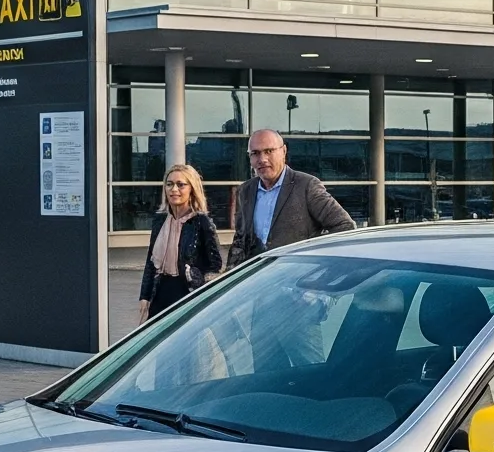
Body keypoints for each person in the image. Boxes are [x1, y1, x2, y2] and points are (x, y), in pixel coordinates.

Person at [226, 127, 356, 266]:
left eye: (269, 151)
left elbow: (345, 226)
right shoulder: (245, 191)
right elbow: (240, 239)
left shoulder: (306, 186)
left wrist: (317, 262)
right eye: (255, 153)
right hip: (258, 279)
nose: (262, 159)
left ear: (283, 151)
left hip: (296, 278)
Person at [139, 164, 223, 318]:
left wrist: (199, 283)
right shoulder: (160, 220)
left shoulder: (201, 222)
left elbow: (215, 265)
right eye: (169, 184)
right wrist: (144, 296)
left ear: (192, 189)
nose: (174, 189)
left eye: (181, 185)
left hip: (187, 291)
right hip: (161, 289)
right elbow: (150, 262)